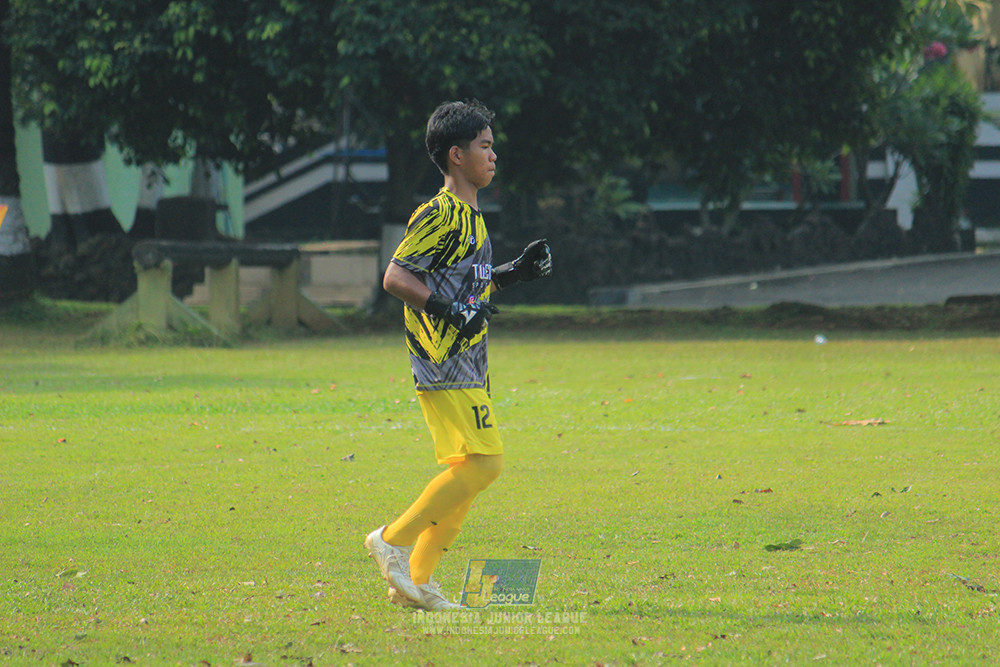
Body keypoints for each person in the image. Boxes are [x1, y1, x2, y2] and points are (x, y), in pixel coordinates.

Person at [365, 99, 552, 611]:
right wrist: (446, 311)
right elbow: (396, 276)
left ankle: (416, 582)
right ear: (456, 155)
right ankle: (392, 540)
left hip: (469, 362)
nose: (494, 156)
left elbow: (470, 284)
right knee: (487, 465)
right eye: (485, 146)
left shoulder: (472, 217)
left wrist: (515, 272)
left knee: (466, 474)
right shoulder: (439, 213)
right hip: (443, 360)